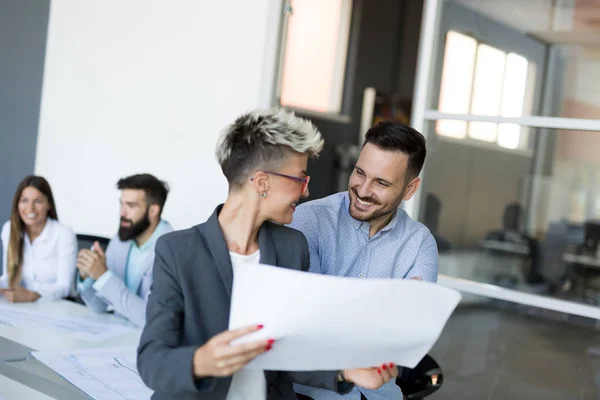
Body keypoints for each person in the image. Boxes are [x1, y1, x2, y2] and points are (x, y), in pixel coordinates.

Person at [137, 109, 398, 400]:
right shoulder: (178, 251)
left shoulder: (292, 247)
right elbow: (151, 361)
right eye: (301, 178)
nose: (306, 191)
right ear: (262, 182)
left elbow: (289, 351)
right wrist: (201, 361)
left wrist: (345, 371)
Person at [290, 121, 439, 400]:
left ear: (410, 189)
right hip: (313, 393)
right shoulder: (308, 221)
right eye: (360, 172)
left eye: (381, 182)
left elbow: (410, 335)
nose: (362, 189)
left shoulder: (420, 244)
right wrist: (387, 309)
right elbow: (309, 322)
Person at [76, 173, 172, 327]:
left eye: (131, 205)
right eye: (121, 204)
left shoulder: (172, 250)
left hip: (147, 341)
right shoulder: (121, 240)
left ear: (153, 211)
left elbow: (150, 317)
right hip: (117, 333)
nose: (122, 213)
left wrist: (103, 277)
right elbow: (99, 306)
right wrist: (89, 275)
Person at [0, 176, 77, 302]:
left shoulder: (63, 234)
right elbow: (9, 278)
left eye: (38, 201)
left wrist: (32, 295)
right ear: (17, 203)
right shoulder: (9, 229)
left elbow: (64, 287)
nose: (30, 208)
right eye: (24, 200)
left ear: (49, 205)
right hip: (23, 304)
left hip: (56, 305)